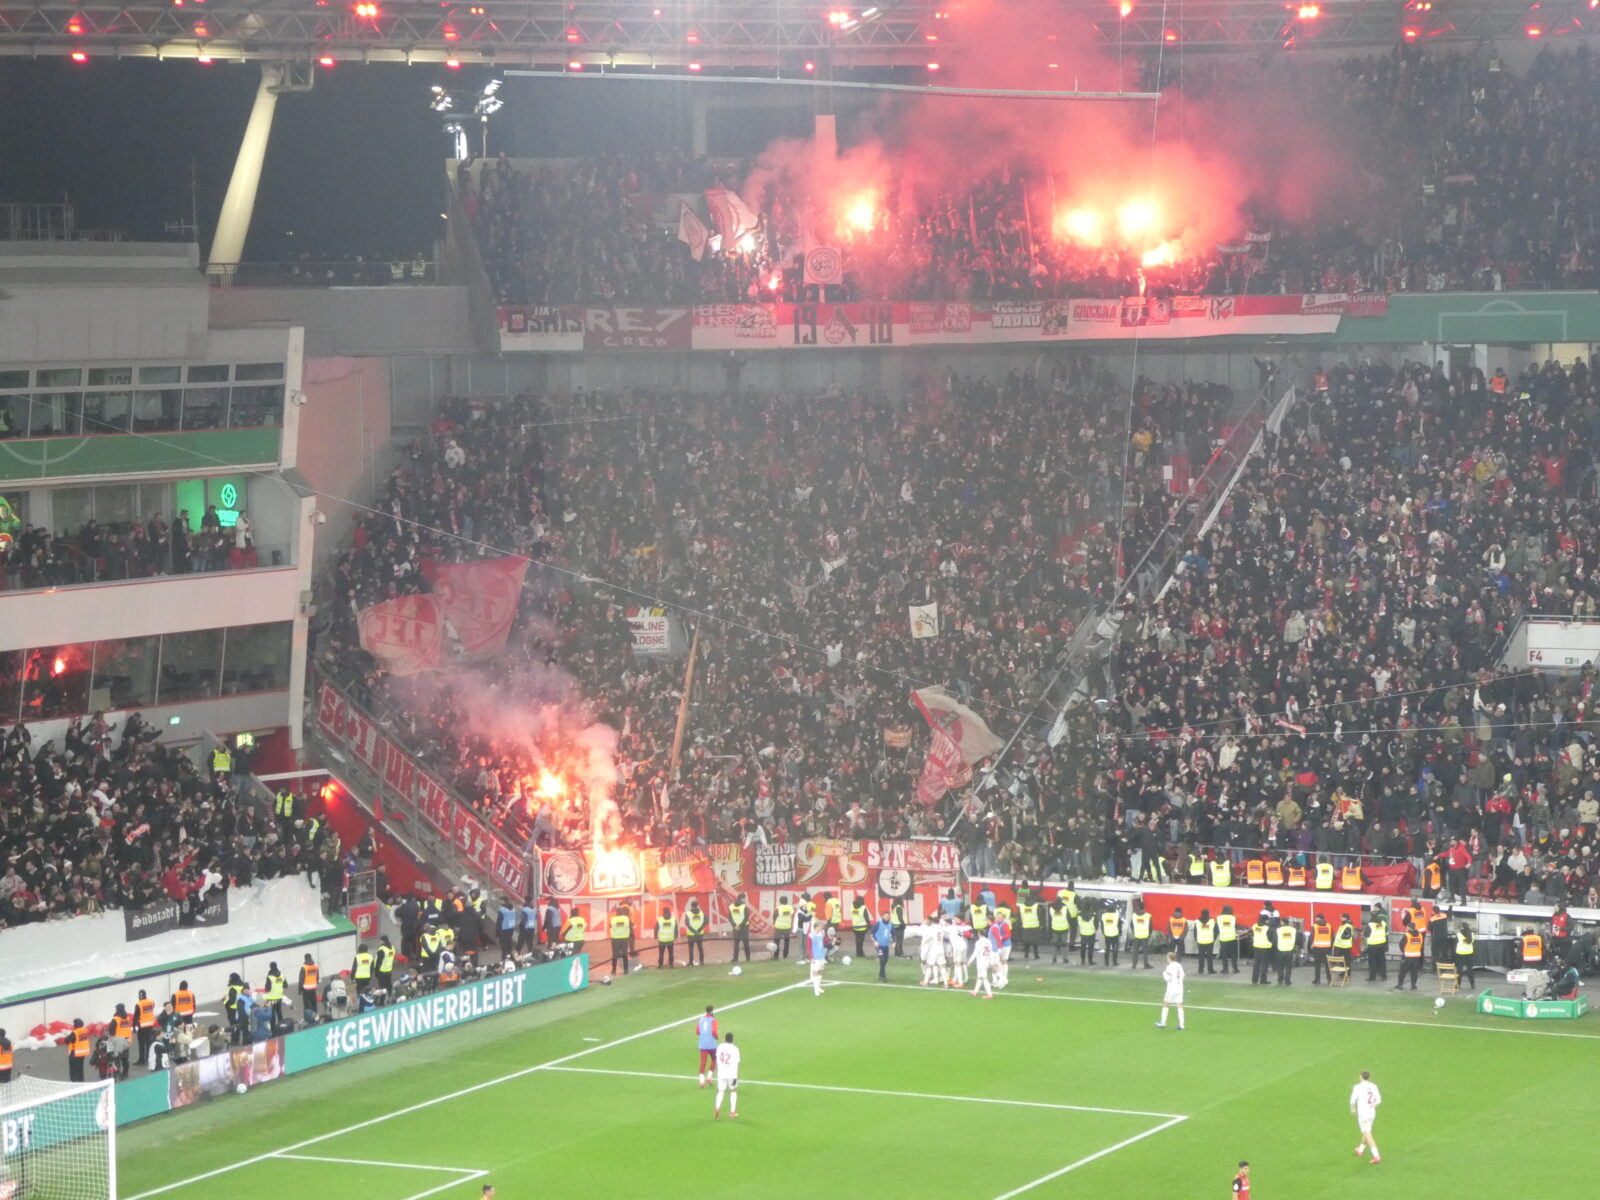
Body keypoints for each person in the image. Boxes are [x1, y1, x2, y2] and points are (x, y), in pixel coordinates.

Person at [1350, 1070, 1382, 1163]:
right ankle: (1360, 1150)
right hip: (1372, 1112)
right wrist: (1372, 1106)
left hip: (1363, 1114)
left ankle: (1376, 1156)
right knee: (1367, 1131)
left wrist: (1353, 1110)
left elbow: (1352, 1100)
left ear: (1361, 1077)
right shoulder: (1374, 1086)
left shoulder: (1358, 1087)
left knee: (1368, 1134)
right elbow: (1379, 1100)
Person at [1154, 952, 1186, 1031]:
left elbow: (1167, 978)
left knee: (1166, 1003)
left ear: (1169, 958)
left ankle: (1163, 1023)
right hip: (1180, 987)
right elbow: (1183, 975)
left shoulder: (1169, 967)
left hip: (1172, 988)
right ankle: (1182, 1025)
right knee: (1179, 1005)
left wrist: (1164, 973)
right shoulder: (1179, 965)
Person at [712, 1032, 740, 1119]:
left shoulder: (720, 1047)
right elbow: (737, 1062)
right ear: (732, 1040)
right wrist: (735, 1076)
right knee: (733, 1091)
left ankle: (717, 1107)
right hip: (731, 1073)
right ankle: (732, 1112)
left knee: (720, 1091)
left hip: (721, 1072)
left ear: (725, 1039)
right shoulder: (735, 1049)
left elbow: (717, 1058)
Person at [1394, 916, 1424, 991]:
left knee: (1403, 971)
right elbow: (1421, 945)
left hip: (1407, 956)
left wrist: (1404, 951)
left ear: (1409, 928)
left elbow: (1401, 945)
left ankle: (1400, 984)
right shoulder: (1420, 935)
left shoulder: (1407, 935)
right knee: (1414, 972)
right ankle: (1413, 985)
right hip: (1416, 957)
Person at [59, 1018, 91, 1083]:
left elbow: (67, 1040)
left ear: (75, 1025)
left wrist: (66, 1035)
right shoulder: (85, 1030)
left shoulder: (75, 1032)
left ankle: (74, 1083)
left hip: (75, 1054)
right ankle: (81, 1082)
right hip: (82, 1053)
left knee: (73, 1070)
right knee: (80, 1069)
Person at [920, 914, 948, 987]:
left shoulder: (932, 928)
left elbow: (927, 938)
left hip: (934, 949)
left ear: (932, 921)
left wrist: (922, 945)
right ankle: (946, 983)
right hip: (941, 948)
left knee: (929, 965)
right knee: (942, 966)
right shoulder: (941, 928)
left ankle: (925, 982)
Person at [695, 1005, 718, 1087]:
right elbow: (714, 1031)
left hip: (703, 1044)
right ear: (711, 1011)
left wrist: (704, 1036)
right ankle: (709, 1076)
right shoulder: (714, 1020)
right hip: (712, 1044)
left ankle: (701, 1081)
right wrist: (716, 1036)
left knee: (703, 1063)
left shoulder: (700, 1020)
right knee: (715, 1059)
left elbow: (697, 1032)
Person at [134, 988, 158, 1065]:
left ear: (139, 996)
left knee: (141, 1044)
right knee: (149, 1043)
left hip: (142, 1027)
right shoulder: (151, 1002)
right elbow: (152, 1008)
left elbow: (135, 1017)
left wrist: (134, 1027)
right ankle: (148, 1058)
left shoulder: (138, 1004)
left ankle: (142, 1060)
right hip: (150, 1026)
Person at [262, 962, 287, 1033]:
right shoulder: (281, 975)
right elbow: (285, 985)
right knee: (279, 1013)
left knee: (272, 1015)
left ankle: (273, 1031)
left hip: (271, 999)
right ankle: (281, 1028)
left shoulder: (270, 977)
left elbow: (268, 989)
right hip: (279, 997)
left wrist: (266, 987)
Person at [608, 904, 633, 976]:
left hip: (615, 939)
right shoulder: (626, 918)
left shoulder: (613, 919)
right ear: (622, 911)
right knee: (625, 954)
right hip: (624, 939)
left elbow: (610, 926)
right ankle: (626, 970)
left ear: (616, 912)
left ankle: (613, 970)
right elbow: (630, 926)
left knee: (615, 955)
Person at [971, 929, 996, 999]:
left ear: (979, 934)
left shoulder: (979, 942)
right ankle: (975, 992)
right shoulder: (988, 941)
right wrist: (991, 962)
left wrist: (969, 961)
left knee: (984, 978)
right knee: (980, 977)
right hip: (986, 961)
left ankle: (989, 994)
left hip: (981, 962)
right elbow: (991, 952)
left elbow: (975, 953)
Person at [729, 893, 753, 963]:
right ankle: (748, 958)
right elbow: (746, 918)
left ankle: (735, 958)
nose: (745, 900)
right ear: (742, 899)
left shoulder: (731, 906)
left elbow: (729, 917)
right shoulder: (744, 907)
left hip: (736, 927)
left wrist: (734, 925)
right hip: (744, 927)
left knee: (736, 943)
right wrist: (740, 926)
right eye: (745, 899)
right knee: (745, 942)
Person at [1250, 913, 1273, 986]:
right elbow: (1270, 938)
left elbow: (1252, 934)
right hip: (1265, 947)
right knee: (1264, 965)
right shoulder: (1267, 928)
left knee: (1256, 964)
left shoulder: (1254, 926)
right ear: (1266, 920)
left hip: (1256, 946)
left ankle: (1254, 980)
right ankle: (1263, 980)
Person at [1129, 900, 1154, 969]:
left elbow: (1131, 925)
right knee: (1145, 951)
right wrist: (1149, 934)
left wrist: (1135, 932)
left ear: (1138, 907)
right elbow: (1150, 927)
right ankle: (1146, 964)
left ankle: (1134, 964)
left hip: (1137, 935)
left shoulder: (1134, 915)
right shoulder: (1148, 916)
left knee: (1135, 951)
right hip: (1145, 935)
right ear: (1143, 907)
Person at [1365, 911, 1389, 981]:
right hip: (1381, 945)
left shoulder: (1370, 925)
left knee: (1372, 962)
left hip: (1372, 946)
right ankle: (1384, 976)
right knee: (1382, 961)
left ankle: (1372, 977)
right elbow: (1386, 932)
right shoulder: (1382, 924)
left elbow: (1366, 934)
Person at [1274, 918, 1298, 986]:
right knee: (1288, 966)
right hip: (1290, 950)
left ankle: (1280, 979)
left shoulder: (1278, 930)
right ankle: (1287, 981)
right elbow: (1297, 939)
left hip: (1281, 949)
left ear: (1283, 922)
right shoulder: (1293, 930)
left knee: (1280, 966)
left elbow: (1275, 940)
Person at [683, 900, 707, 966]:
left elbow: (687, 924)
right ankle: (702, 961)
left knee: (691, 948)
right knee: (700, 947)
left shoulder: (688, 913)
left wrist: (694, 931)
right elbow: (706, 921)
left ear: (691, 906)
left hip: (691, 934)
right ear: (697, 905)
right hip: (700, 933)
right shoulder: (701, 912)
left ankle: (691, 962)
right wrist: (699, 929)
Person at [1216, 906, 1239, 975]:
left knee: (1224, 955)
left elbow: (1217, 928)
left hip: (1223, 939)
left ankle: (1225, 969)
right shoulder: (1233, 918)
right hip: (1232, 938)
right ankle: (1235, 969)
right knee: (1234, 955)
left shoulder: (1219, 918)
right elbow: (1236, 927)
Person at [808, 921, 828, 996]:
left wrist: (824, 936)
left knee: (820, 971)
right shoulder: (811, 935)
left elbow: (825, 943)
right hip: (815, 957)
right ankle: (816, 990)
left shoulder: (821, 934)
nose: (822, 928)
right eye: (820, 926)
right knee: (815, 972)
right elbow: (809, 947)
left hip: (821, 955)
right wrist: (811, 957)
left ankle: (818, 987)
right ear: (816, 927)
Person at [1194, 908, 1217, 975]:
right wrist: (1213, 939)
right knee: (1209, 957)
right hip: (1210, 941)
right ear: (1208, 913)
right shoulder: (1212, 921)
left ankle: (1200, 970)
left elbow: (1195, 932)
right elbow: (1216, 931)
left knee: (1201, 957)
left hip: (1200, 941)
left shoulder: (1197, 921)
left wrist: (1197, 939)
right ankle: (1210, 970)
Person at [872, 912, 894, 982]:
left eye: (888, 916)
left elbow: (894, 934)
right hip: (879, 945)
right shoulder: (879, 923)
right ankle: (882, 976)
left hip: (886, 945)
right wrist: (875, 941)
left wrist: (894, 942)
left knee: (885, 960)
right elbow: (872, 932)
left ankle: (881, 975)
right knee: (882, 959)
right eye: (885, 916)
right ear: (883, 917)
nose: (887, 917)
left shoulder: (891, 925)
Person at [298, 954, 320, 1021]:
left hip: (306, 989)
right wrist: (316, 983)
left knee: (307, 1005)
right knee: (314, 1003)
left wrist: (300, 990)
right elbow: (317, 977)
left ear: (305, 958)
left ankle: (308, 1019)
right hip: (313, 987)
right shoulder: (316, 966)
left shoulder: (304, 967)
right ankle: (316, 1017)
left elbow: (301, 980)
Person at [655, 904, 678, 968]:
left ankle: (660, 965)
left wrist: (656, 936)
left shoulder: (660, 919)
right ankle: (671, 964)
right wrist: (676, 936)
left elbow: (656, 928)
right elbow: (676, 928)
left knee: (661, 953)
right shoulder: (673, 919)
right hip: (670, 939)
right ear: (669, 911)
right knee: (671, 953)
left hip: (662, 940)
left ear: (663, 911)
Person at [772, 894, 794, 959]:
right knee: (786, 942)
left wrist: (774, 923)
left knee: (776, 942)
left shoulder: (778, 908)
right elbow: (791, 915)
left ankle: (776, 956)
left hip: (778, 927)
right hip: (787, 927)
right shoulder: (791, 908)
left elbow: (774, 917)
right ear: (787, 901)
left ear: (780, 901)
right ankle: (785, 956)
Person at [1454, 923, 1476, 988]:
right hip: (1469, 953)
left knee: (1459, 970)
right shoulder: (1472, 934)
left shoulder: (1458, 935)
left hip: (1460, 954)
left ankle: (1458, 985)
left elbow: (1456, 943)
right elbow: (1471, 941)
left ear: (1462, 928)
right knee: (1470, 969)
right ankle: (1472, 984)